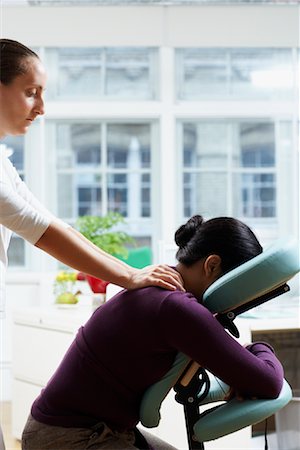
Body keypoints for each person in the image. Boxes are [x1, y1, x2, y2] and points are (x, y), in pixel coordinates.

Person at [0, 38, 183, 450]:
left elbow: (53, 223)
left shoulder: (3, 163)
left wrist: (130, 274)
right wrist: (130, 276)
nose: (41, 108)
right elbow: (41, 233)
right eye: (31, 93)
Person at [22, 215, 284, 450]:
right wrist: (261, 348)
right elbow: (269, 383)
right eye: (236, 285)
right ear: (212, 265)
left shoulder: (164, 284)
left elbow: (246, 371)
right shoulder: (178, 307)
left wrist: (245, 366)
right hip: (68, 437)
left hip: (91, 428)